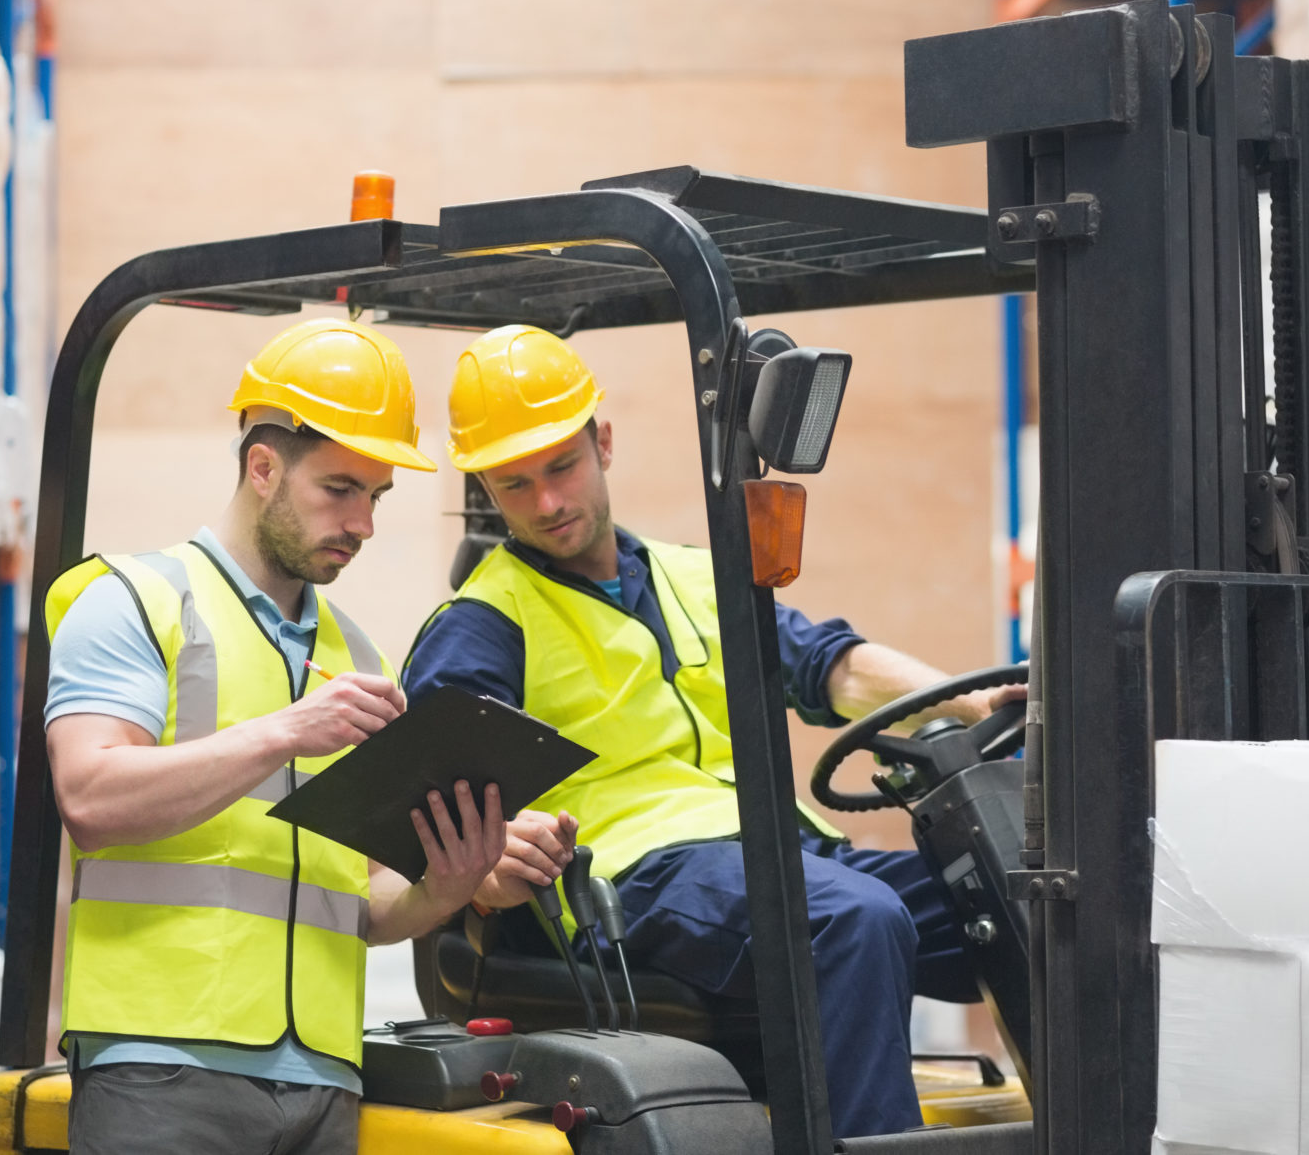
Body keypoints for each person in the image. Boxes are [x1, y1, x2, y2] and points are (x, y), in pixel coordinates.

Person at [404, 324, 1018, 1139]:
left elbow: (832, 666)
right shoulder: (484, 621)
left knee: (1025, 895)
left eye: (562, 466)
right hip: (628, 879)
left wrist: (977, 702)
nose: (548, 502)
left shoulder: (698, 573)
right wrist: (489, 862)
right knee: (854, 919)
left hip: (774, 850)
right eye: (516, 484)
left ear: (605, 443)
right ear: (485, 483)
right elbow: (439, 802)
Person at [42, 319, 577, 1155]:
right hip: (163, 1068)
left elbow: (358, 903)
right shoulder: (134, 601)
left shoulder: (355, 655)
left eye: (377, 497)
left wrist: (448, 884)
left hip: (324, 1081)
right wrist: (284, 731)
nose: (363, 522)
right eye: (339, 489)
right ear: (263, 467)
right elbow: (90, 797)